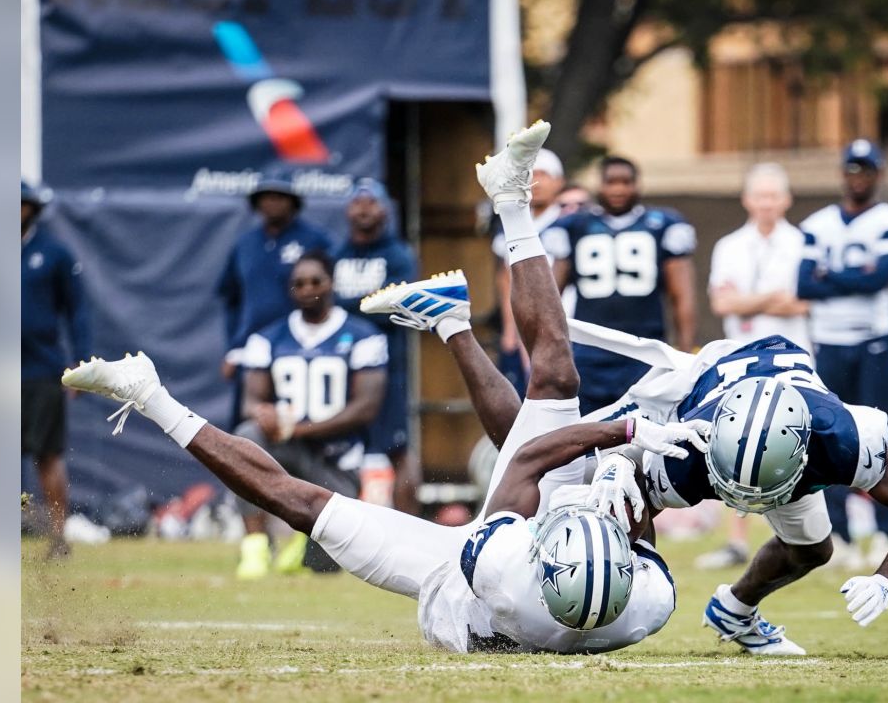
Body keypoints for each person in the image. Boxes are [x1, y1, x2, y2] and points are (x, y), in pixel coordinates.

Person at [63, 121, 685, 653]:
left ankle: (147, 394)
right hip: (561, 563)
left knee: (299, 503)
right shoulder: (647, 601)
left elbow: (522, 461)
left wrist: (624, 433)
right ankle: (506, 208)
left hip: (454, 584)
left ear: (544, 552)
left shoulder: (508, 569)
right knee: (554, 381)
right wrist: (631, 487)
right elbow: (624, 519)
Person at [567, 318, 888, 655]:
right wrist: (621, 469)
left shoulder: (840, 436)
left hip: (779, 427)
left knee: (813, 551)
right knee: (574, 467)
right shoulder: (692, 444)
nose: (744, 505)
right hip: (702, 392)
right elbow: (637, 492)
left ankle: (734, 611)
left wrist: (885, 579)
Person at [232, 250, 389, 580]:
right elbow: (250, 402)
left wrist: (297, 429)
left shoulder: (363, 335)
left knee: (322, 567)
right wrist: (266, 414)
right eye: (298, 283)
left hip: (336, 461)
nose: (307, 288)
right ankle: (255, 545)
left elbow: (365, 409)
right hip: (289, 451)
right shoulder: (268, 337)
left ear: (331, 283)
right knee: (246, 438)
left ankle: (299, 542)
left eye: (315, 280)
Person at [797, 140, 888, 572]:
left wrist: (831, 276)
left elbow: (880, 278)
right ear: (842, 173)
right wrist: (851, 278)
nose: (858, 177)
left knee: (884, 437)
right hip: (829, 341)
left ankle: (887, 529)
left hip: (875, 342)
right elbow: (803, 285)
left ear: (879, 174)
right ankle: (840, 534)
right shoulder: (817, 223)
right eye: (852, 169)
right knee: (828, 436)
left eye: (866, 169)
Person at [696, 162, 811, 571]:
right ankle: (737, 539)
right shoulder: (730, 245)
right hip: (741, 357)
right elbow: (723, 303)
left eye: (773, 196)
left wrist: (750, 298)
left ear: (786, 200)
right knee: (735, 443)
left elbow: (802, 301)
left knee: (797, 440)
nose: (766, 203)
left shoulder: (802, 243)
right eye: (759, 195)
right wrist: (771, 298)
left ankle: (799, 534)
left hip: (792, 355)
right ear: (747, 199)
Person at [549, 156, 698, 415]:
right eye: (611, 182)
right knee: (585, 428)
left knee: (643, 427)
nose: (618, 189)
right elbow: (551, 295)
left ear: (637, 185)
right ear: (599, 185)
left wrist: (685, 351)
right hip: (589, 351)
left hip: (646, 349)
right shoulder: (573, 226)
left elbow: (681, 294)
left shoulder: (664, 225)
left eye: (625, 182)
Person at [332, 178, 421, 514]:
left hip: (386, 371)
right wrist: (367, 304)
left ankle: (413, 530)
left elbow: (400, 306)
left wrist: (347, 308)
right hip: (339, 368)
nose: (364, 208)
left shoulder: (399, 256)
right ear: (347, 209)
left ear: (385, 209)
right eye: (358, 201)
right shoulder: (334, 255)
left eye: (372, 201)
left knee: (398, 448)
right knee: (328, 451)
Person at [22, 180, 90, 559]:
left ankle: (58, 537)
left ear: (31, 209)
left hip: (40, 371)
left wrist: (80, 361)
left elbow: (77, 311)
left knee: (47, 455)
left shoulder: (53, 253)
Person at [218, 170, 332, 387]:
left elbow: (330, 291)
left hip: (300, 345)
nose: (272, 202)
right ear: (257, 203)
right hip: (252, 345)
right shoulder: (245, 244)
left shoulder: (315, 239)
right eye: (266, 197)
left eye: (280, 197)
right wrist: (234, 348)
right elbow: (231, 299)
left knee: (298, 417)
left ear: (293, 202)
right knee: (252, 414)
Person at [490, 148, 568, 397]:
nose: (536, 181)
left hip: (566, 322)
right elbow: (506, 278)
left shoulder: (570, 223)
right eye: (530, 174)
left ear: (559, 182)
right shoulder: (511, 223)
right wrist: (509, 329)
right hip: (523, 322)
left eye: (544, 174)